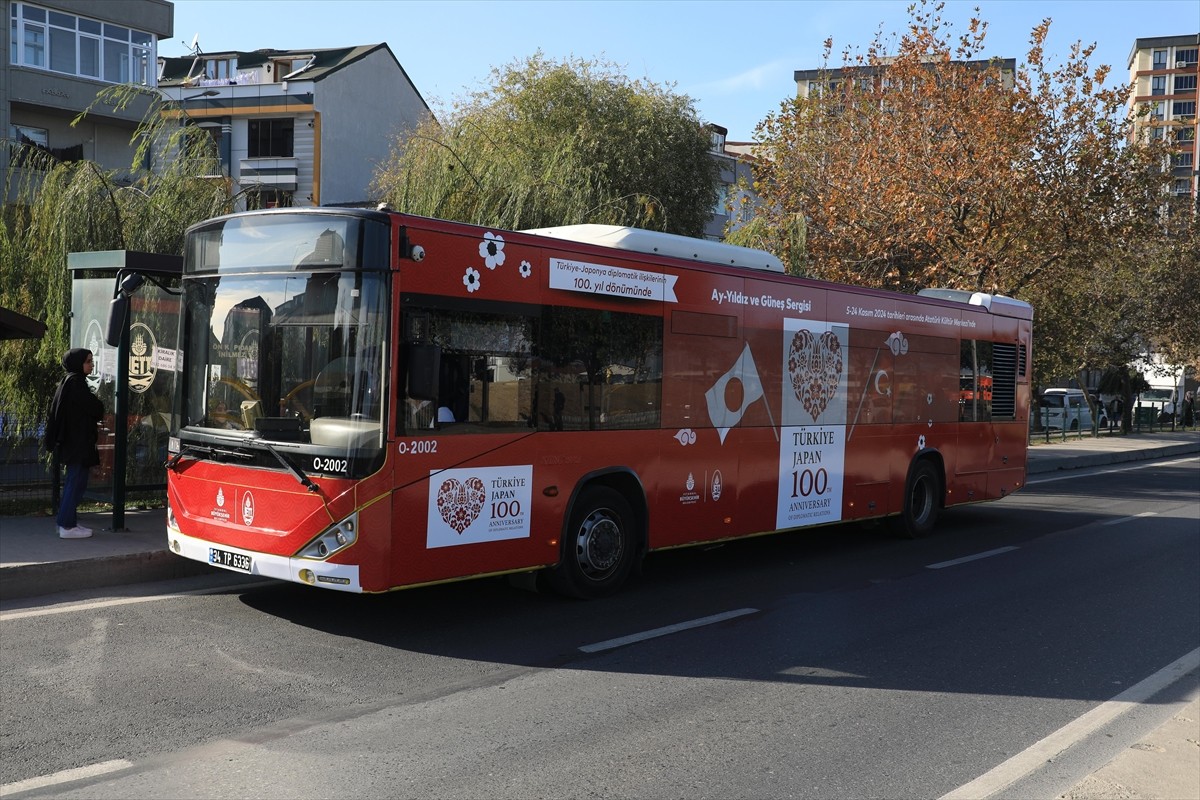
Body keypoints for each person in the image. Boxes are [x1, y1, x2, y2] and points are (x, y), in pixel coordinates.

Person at [44, 348, 105, 539]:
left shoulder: (68, 382)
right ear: (79, 363)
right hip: (77, 443)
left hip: (73, 443)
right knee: (75, 482)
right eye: (88, 361)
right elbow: (95, 408)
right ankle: (66, 525)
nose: (91, 364)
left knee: (76, 482)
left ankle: (68, 522)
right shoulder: (76, 383)